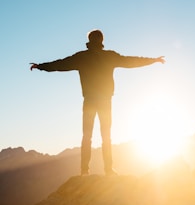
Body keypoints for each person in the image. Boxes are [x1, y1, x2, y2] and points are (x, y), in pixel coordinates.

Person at [30, 29, 165, 176]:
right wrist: (153, 60)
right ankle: (108, 170)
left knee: (87, 136)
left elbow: (60, 64)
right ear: (101, 40)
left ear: (89, 40)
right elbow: (131, 61)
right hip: (105, 101)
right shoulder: (110, 56)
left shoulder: (82, 57)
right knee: (106, 136)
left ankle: (84, 171)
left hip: (89, 100)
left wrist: (40, 66)